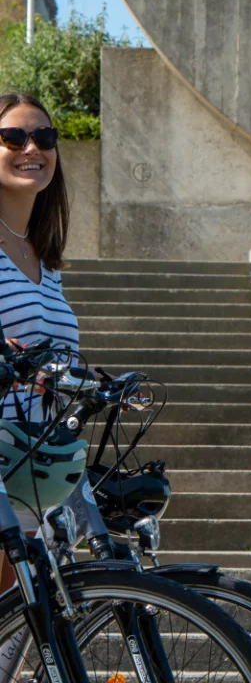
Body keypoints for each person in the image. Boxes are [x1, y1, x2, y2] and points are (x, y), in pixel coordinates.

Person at [0, 91, 79, 589]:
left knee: (23, 619)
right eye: (13, 136)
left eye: (44, 136)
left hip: (32, 462)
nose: (32, 147)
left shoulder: (43, 258)